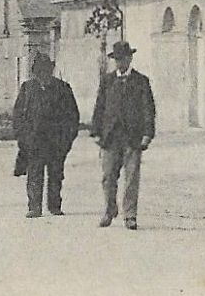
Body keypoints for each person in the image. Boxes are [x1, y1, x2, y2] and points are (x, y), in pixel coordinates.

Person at [89, 40, 155, 230]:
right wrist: (96, 132)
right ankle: (110, 210)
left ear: (130, 58)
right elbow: (99, 107)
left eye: (123, 59)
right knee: (108, 177)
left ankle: (130, 215)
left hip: (132, 138)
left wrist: (147, 134)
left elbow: (148, 109)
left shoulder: (141, 81)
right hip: (110, 138)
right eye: (117, 59)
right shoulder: (107, 81)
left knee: (132, 177)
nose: (120, 63)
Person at [12, 53, 81, 218]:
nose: (43, 75)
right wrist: (23, 138)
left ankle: (54, 205)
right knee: (34, 173)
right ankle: (34, 206)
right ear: (35, 72)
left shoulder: (63, 88)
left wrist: (67, 139)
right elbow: (18, 115)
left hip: (56, 141)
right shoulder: (27, 88)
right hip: (34, 141)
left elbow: (72, 116)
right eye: (39, 71)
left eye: (46, 70)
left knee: (56, 174)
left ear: (51, 70)